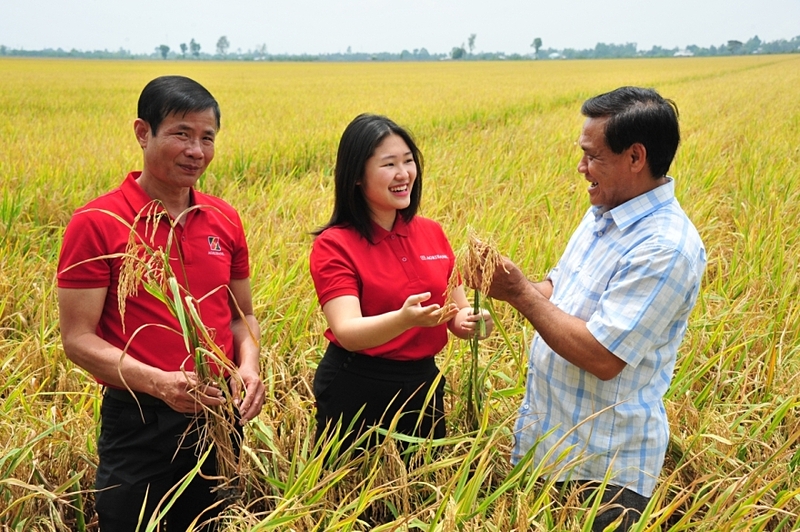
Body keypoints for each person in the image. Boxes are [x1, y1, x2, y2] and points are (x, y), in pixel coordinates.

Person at [484, 87, 706, 531]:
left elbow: (602, 356)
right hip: (550, 447)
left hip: (603, 470)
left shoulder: (664, 248)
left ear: (636, 157)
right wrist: (516, 282)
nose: (582, 167)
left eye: (592, 156)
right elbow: (558, 289)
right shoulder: (606, 210)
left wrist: (519, 294)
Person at [57, 75, 264, 531]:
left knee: (211, 523)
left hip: (217, 415)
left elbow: (240, 315)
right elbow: (77, 340)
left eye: (207, 138)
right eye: (181, 134)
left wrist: (249, 365)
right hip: (138, 418)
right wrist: (159, 383)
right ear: (142, 132)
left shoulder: (224, 219)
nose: (197, 151)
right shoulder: (98, 222)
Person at [309, 113, 493, 460]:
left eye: (408, 161)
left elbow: (455, 311)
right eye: (388, 164)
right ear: (357, 177)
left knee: (419, 492)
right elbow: (347, 330)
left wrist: (470, 320)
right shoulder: (335, 244)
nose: (403, 173)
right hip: (357, 385)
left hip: (422, 384)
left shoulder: (432, 232)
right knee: (350, 498)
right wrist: (404, 320)